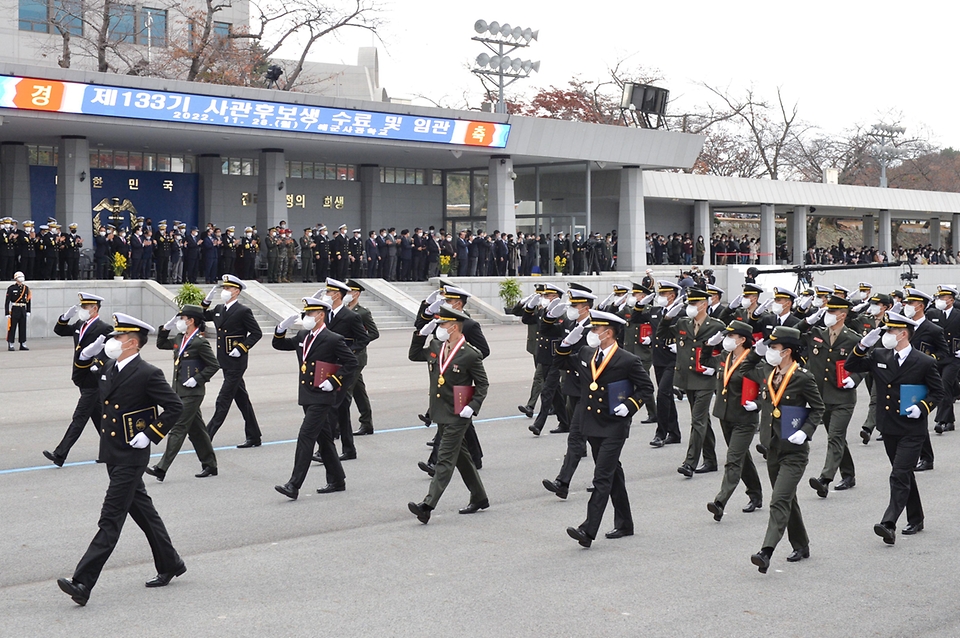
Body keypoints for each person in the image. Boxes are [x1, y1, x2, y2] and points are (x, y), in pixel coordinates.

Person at [56, 313, 185, 606]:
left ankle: (82, 582)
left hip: (131, 456)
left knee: (110, 518)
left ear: (132, 343)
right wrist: (83, 356)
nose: (111, 341)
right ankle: (171, 563)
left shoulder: (148, 373)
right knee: (144, 513)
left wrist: (151, 434)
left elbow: (174, 407)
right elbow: (81, 380)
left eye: (117, 337)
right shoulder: (108, 367)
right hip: (112, 453)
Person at [845, 312, 943, 545]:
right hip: (888, 426)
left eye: (890, 331)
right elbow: (852, 365)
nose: (886, 335)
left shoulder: (924, 361)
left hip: (912, 429)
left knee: (898, 474)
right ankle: (916, 518)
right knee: (904, 473)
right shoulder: (879, 354)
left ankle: (889, 523)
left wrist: (923, 406)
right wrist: (862, 345)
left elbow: (937, 392)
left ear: (902, 334)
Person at [565, 310, 653, 548]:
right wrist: (565, 344)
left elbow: (646, 388)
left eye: (595, 330)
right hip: (592, 424)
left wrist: (630, 406)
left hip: (614, 425)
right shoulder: (586, 353)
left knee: (601, 478)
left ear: (608, 333)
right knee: (613, 475)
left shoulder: (627, 359)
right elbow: (561, 362)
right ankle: (625, 523)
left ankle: (588, 530)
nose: (591, 333)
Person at [745, 326, 824, 573]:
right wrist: (755, 353)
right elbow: (746, 369)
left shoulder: (802, 376)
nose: (770, 352)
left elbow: (818, 408)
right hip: (772, 448)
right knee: (788, 498)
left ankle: (766, 551)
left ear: (787, 351)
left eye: (774, 348)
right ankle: (802, 544)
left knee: (779, 499)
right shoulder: (768, 371)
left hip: (794, 451)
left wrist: (806, 431)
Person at [407, 304, 489, 524]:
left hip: (458, 414)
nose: (439, 327)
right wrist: (419, 335)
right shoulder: (437, 346)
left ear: (453, 327)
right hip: (440, 412)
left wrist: (472, 407)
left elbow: (483, 384)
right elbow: (414, 355)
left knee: (444, 459)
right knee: (462, 457)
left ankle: (427, 505)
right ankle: (480, 497)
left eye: (442, 324)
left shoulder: (470, 354)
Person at [273, 297, 358, 499]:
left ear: (321, 315)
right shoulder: (303, 335)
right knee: (324, 439)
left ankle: (293, 485)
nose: (306, 317)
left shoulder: (333, 338)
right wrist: (280, 329)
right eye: (305, 314)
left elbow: (351, 363)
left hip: (322, 396)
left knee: (306, 436)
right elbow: (280, 345)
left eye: (310, 314)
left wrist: (335, 380)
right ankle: (337, 480)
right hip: (307, 395)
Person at [148, 305, 221, 481]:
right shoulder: (180, 338)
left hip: (193, 392)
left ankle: (161, 468)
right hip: (179, 390)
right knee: (197, 430)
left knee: (178, 427)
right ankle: (210, 465)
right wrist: (165, 328)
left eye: (182, 318)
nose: (180, 321)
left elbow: (214, 365)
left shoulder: (200, 342)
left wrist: (198, 378)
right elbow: (161, 344)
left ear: (191, 321)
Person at [658, 288, 725, 477]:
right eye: (689, 304)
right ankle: (710, 460)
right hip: (688, 378)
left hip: (705, 378)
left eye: (694, 304)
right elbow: (662, 334)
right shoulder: (683, 323)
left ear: (704, 305)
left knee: (697, 420)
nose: (690, 307)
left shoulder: (716, 325)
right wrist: (667, 318)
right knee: (702, 420)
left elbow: (727, 351)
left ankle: (690, 462)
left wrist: (715, 365)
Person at [799, 296, 862, 497]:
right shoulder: (816, 334)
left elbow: (865, 363)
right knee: (837, 437)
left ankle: (824, 479)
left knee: (835, 436)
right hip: (821, 398)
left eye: (832, 312)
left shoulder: (852, 338)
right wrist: (806, 319)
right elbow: (793, 334)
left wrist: (856, 378)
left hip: (843, 398)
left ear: (842, 315)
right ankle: (849, 474)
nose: (827, 315)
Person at [44, 293, 114, 466]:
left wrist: (99, 363)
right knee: (99, 417)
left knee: (80, 417)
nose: (82, 310)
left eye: (85, 307)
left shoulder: (104, 328)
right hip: (81, 376)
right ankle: (111, 452)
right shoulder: (79, 324)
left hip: (93, 379)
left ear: (94, 308)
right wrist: (64, 318)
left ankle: (60, 454)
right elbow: (59, 331)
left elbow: (112, 350)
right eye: (81, 307)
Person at [541, 285, 598, 499]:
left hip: (590, 389)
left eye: (575, 306)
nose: (571, 309)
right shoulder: (570, 323)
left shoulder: (596, 328)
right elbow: (547, 333)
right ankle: (563, 483)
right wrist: (549, 316)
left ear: (586, 307)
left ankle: (599, 479)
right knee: (578, 437)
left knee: (590, 438)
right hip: (573, 386)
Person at [704, 320, 764, 520]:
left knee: (733, 460)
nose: (727, 339)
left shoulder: (753, 362)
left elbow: (768, 388)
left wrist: (758, 404)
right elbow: (705, 361)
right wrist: (709, 344)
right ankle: (755, 494)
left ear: (742, 340)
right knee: (741, 456)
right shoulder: (724, 357)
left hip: (745, 418)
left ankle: (720, 501)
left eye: (731, 336)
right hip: (725, 415)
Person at [201, 275, 263, 447]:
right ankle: (254, 436)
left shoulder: (243, 311)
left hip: (237, 362)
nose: (225, 291)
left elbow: (256, 333)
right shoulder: (220, 308)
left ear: (236, 291)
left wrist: (242, 347)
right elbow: (201, 316)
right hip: (224, 360)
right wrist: (206, 302)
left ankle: (206, 436)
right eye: (224, 289)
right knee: (242, 400)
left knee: (223, 398)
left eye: (228, 289)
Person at [317, 278, 371, 460]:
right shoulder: (325, 314)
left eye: (329, 293)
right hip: (330, 364)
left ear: (338, 295)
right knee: (341, 408)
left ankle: (324, 448)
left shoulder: (351, 316)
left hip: (347, 364)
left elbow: (363, 339)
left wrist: (348, 351)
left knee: (334, 404)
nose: (326, 296)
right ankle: (349, 448)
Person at [638, 281, 682, 447]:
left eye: (663, 294)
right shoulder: (655, 311)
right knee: (667, 395)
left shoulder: (681, 312)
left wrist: (680, 345)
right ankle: (675, 432)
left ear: (672, 296)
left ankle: (660, 433)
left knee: (663, 393)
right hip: (659, 359)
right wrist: (641, 303)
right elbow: (636, 317)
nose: (660, 297)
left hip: (673, 358)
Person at [346, 280, 380, 436]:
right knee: (359, 391)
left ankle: (339, 427)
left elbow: (374, 333)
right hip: (345, 355)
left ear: (356, 293)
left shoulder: (363, 312)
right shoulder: (343, 310)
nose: (347, 294)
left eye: (349, 291)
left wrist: (356, 345)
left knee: (345, 391)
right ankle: (367, 424)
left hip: (356, 357)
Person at [927, 285, 960, 434]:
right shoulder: (932, 313)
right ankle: (950, 420)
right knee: (947, 388)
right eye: (939, 297)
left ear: (951, 300)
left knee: (944, 386)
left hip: (953, 357)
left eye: (943, 297)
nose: (939, 300)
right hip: (937, 356)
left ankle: (941, 420)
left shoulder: (958, 314)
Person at [5, 270, 30, 350]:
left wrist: (28, 310)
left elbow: (28, 300)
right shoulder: (11, 288)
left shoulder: (26, 288)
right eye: (19, 277)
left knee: (23, 327)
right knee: (12, 327)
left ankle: (23, 343)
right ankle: (11, 343)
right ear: (16, 278)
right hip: (15, 309)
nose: (21, 278)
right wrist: (7, 312)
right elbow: (7, 301)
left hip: (22, 309)